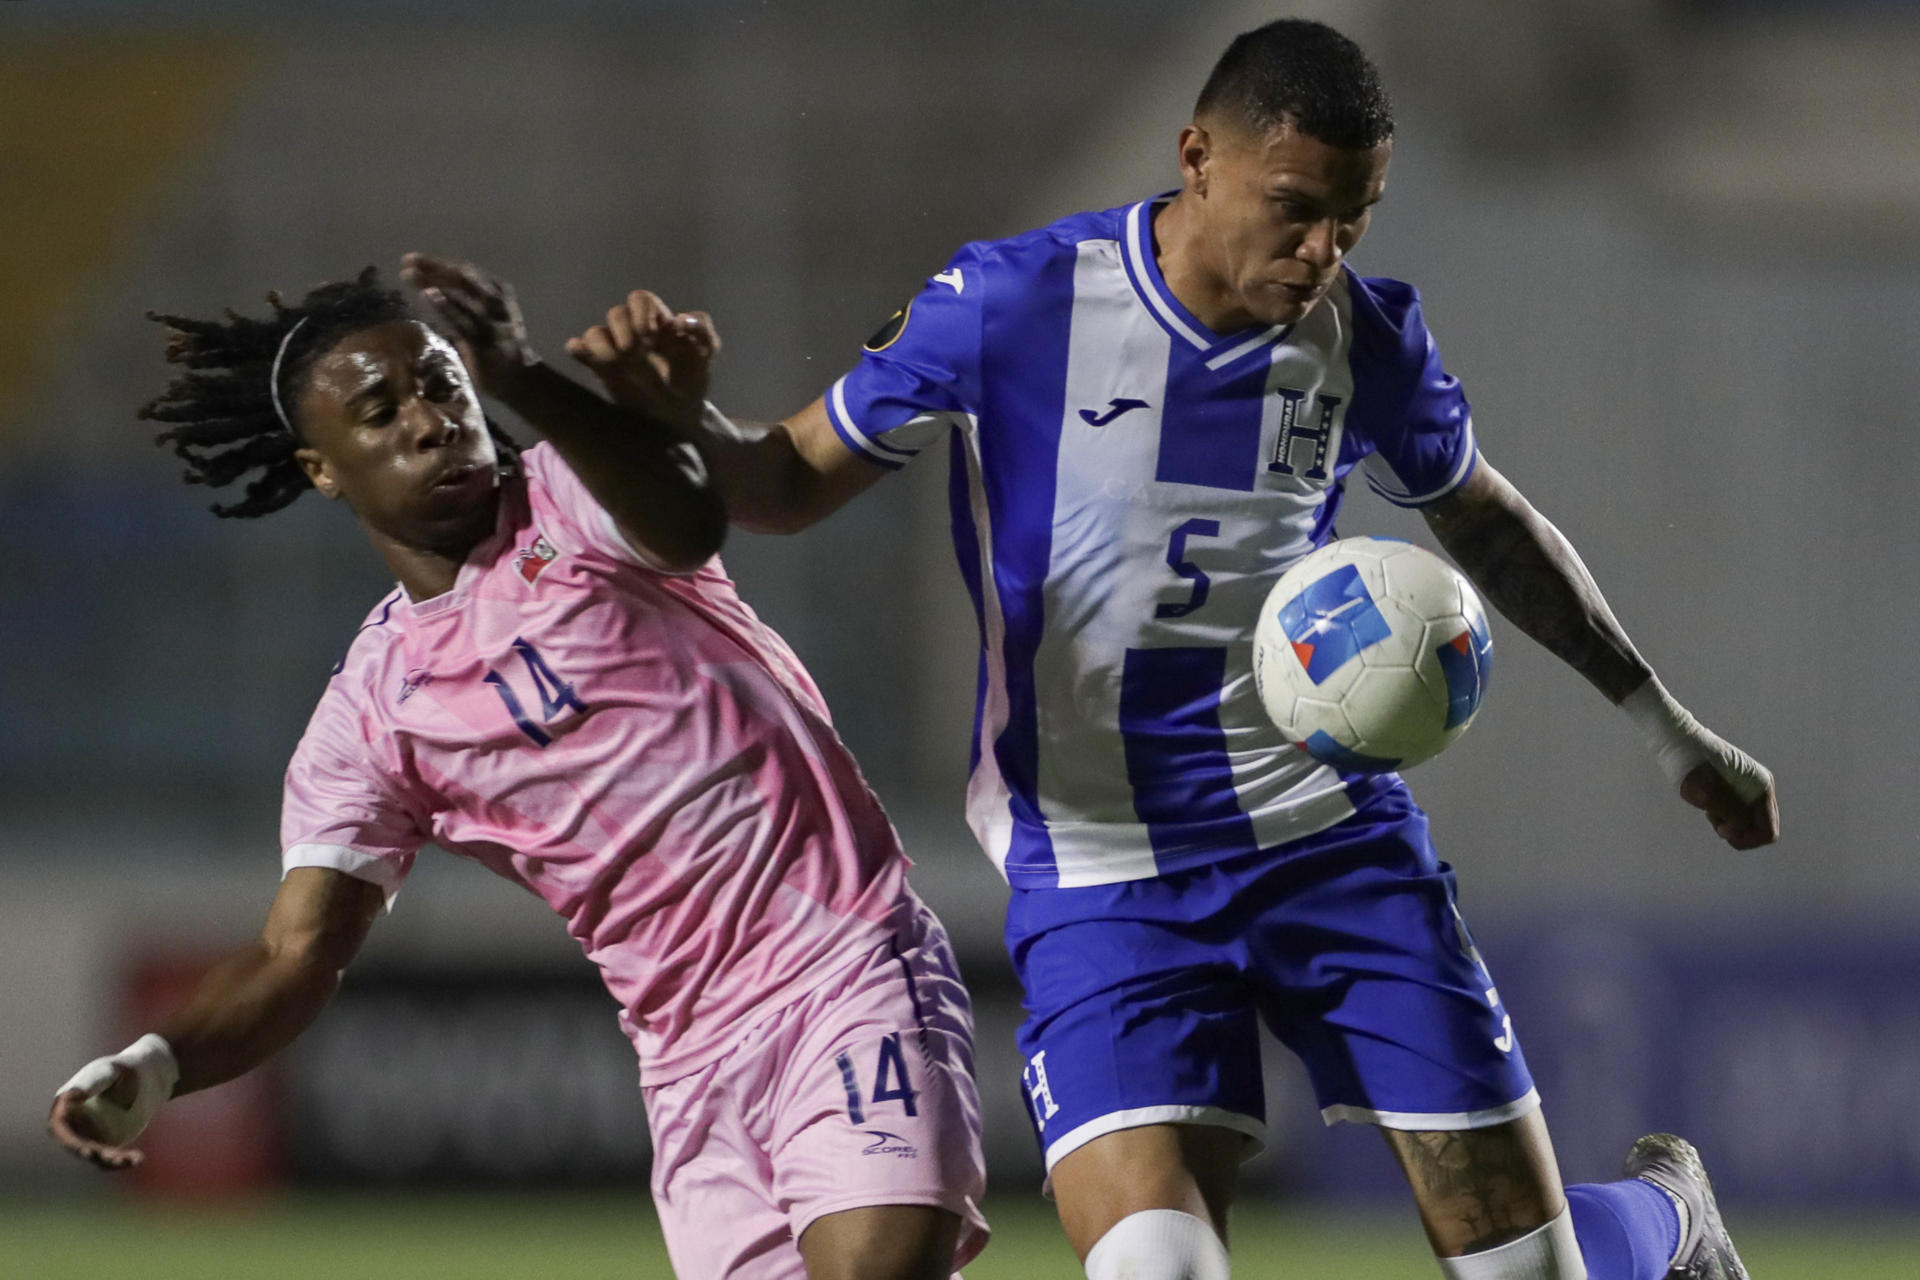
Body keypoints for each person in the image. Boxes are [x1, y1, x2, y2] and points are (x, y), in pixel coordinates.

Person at [563, 18, 1778, 1280]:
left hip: (1327, 841)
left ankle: (1664, 1216)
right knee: (1157, 1268)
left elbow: (1487, 519)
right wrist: (680, 424)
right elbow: (783, 484)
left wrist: (1669, 729)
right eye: (1296, 209)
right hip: (1104, 876)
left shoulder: (1366, 340)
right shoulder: (1015, 303)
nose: (1322, 253)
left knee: (1528, 1274)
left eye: (1354, 219)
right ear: (1198, 154)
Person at [46, 261, 989, 1280]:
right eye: (380, 411)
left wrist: (523, 374)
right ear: (322, 469)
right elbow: (293, 956)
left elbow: (687, 517)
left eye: (445, 384)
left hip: (842, 969)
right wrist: (156, 1061)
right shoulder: (373, 711)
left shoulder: (573, 489)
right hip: (689, 1067)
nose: (431, 420)